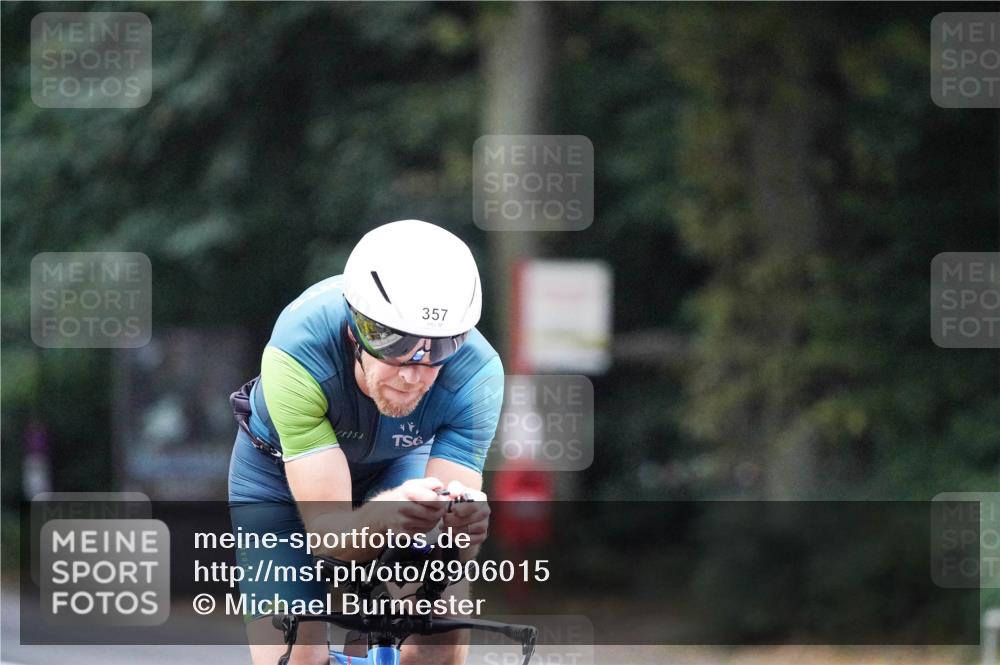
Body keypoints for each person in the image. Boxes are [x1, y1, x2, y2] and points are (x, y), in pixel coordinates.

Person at [228, 220, 504, 665]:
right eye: (393, 341)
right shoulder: (297, 352)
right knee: (297, 657)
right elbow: (330, 534)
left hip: (396, 464)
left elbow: (450, 547)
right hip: (275, 481)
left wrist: (460, 534)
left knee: (442, 622)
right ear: (355, 329)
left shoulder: (477, 375)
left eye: (439, 348)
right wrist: (391, 512)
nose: (414, 372)